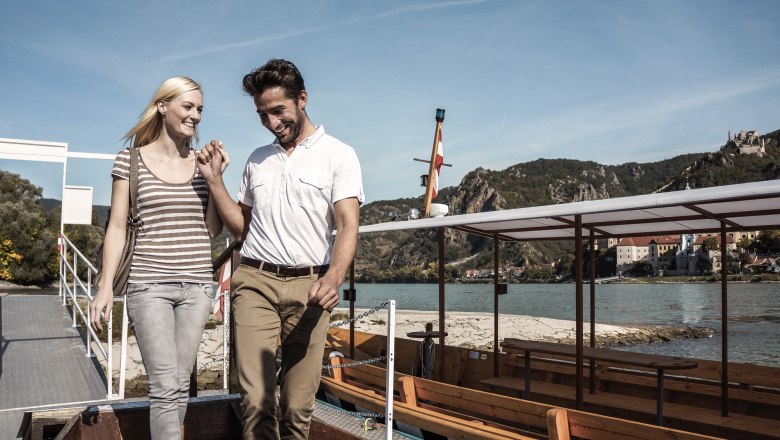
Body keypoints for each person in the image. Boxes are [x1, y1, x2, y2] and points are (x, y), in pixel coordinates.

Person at [198, 59, 363, 439]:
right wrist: (214, 180)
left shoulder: (340, 154)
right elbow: (240, 228)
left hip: (311, 289)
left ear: (302, 99)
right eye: (262, 114)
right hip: (255, 280)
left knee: (297, 406)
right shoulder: (258, 160)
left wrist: (334, 278)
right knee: (255, 401)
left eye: (278, 111)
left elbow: (348, 225)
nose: (272, 122)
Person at [90, 76, 227, 439]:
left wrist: (214, 179)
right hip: (148, 285)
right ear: (163, 106)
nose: (196, 115)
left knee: (179, 384)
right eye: (188, 106)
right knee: (166, 385)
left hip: (197, 286)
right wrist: (105, 288)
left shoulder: (202, 162)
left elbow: (213, 230)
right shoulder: (130, 160)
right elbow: (116, 226)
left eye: (200, 108)